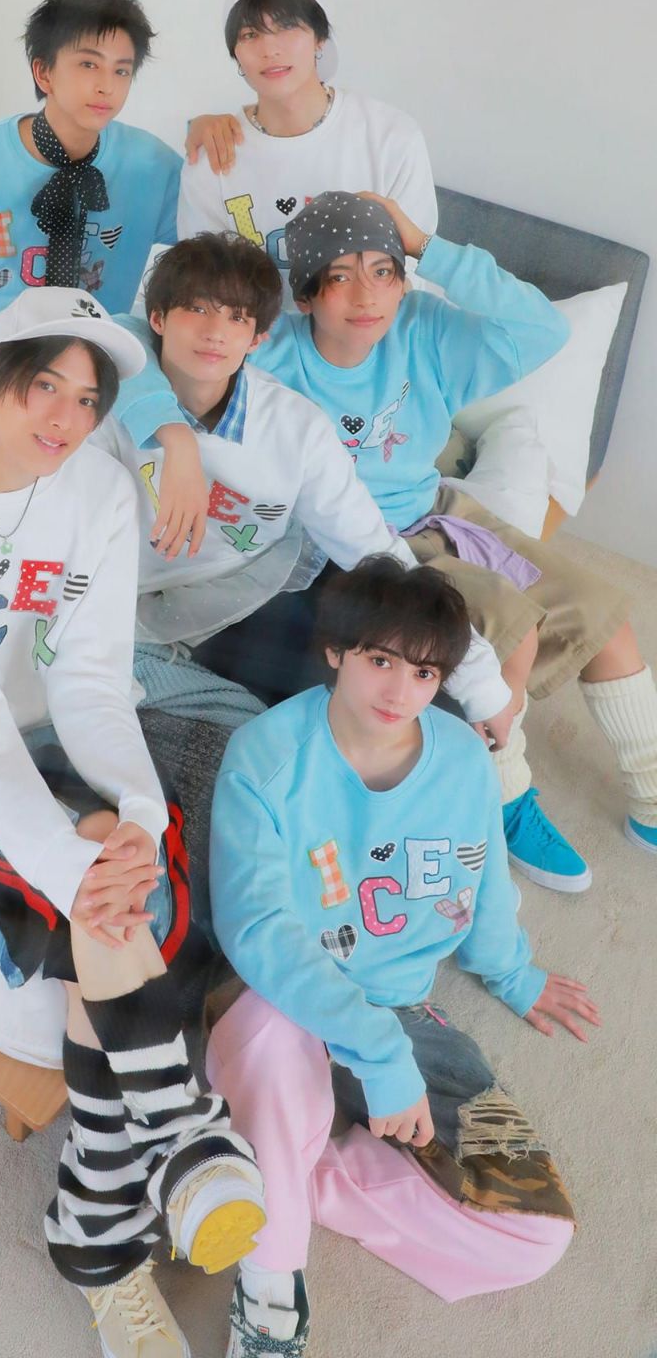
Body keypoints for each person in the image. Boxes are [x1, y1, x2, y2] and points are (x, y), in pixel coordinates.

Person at [0, 288, 265, 1357]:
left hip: (69, 732)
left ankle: (96, 1236)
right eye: (45, 386)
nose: (66, 418)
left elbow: (90, 678)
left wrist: (132, 811)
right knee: (108, 894)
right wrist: (66, 850)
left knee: (141, 881)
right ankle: (182, 1138)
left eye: (88, 401)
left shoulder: (99, 490)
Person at [114, 189, 657, 889]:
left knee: (604, 615)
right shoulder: (265, 355)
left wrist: (427, 244)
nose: (366, 293)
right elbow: (125, 334)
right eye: (340, 276)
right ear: (305, 296)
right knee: (503, 637)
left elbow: (540, 329)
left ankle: (649, 795)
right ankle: (505, 796)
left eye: (384, 270)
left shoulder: (419, 332)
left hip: (431, 508)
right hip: (348, 539)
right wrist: (175, 437)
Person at [207, 557, 598, 1358]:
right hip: (282, 1001)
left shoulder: (461, 757)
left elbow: (482, 876)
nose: (400, 690)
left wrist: (514, 974)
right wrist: (378, 1056)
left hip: (404, 1005)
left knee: (534, 1234)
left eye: (423, 673)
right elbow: (259, 933)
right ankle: (271, 1279)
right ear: (336, 652)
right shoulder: (265, 759)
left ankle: (284, 1174)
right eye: (380, 660)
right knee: (278, 1037)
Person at [95, 230, 513, 741]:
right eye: (197, 310)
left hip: (246, 593)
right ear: (158, 319)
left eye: (236, 318)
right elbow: (103, 336)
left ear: (257, 339)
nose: (215, 333)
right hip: (125, 601)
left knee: (423, 711)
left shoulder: (296, 427)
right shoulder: (100, 395)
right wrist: (175, 440)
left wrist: (481, 683)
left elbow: (375, 552)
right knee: (300, 732)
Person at [0, 0, 182, 325]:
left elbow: (215, 249)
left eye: (121, 70)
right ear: (44, 72)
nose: (107, 86)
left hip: (103, 352)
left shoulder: (153, 164)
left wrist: (210, 136)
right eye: (88, 64)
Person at [180, 0, 436, 306]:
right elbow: (203, 287)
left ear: (320, 38)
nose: (270, 49)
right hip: (256, 337)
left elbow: (413, 271)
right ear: (235, 54)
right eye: (250, 35)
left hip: (371, 333)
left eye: (287, 27)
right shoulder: (212, 155)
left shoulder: (392, 138)